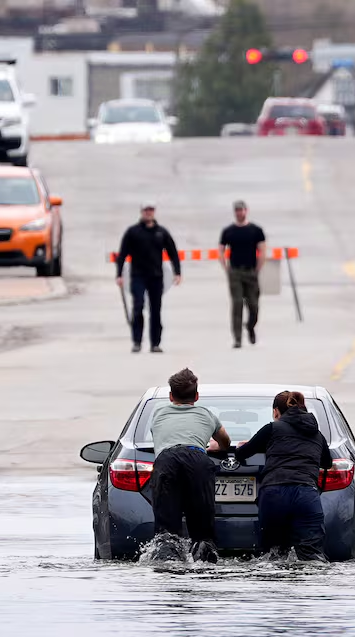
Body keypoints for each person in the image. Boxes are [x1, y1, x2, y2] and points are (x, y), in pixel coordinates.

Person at [233, 391, 333, 562]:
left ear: (275, 412)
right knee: (312, 555)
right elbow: (327, 463)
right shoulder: (317, 435)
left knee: (273, 554)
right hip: (306, 495)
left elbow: (241, 454)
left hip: (274, 494)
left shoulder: (272, 429)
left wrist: (256, 446)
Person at [149, 368, 232, 563]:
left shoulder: (158, 413)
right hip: (197, 460)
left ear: (170, 396)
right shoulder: (206, 414)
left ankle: (168, 567)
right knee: (203, 531)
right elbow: (225, 442)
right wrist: (213, 445)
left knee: (166, 532)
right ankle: (205, 565)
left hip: (166, 460)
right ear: (197, 396)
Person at [115, 202, 181, 353]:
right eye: (146, 210)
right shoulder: (133, 232)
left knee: (155, 310)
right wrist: (119, 274)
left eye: (151, 210)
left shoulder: (161, 232)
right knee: (138, 307)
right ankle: (137, 341)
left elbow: (173, 253)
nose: (148, 213)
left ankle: (155, 343)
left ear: (154, 212)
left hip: (156, 276)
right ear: (141, 212)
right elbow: (123, 253)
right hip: (138, 276)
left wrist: (177, 272)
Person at [219, 200, 266, 349]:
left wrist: (258, 268)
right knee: (237, 304)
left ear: (246, 211)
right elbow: (221, 249)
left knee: (253, 305)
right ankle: (237, 338)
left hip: (251, 271)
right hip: (235, 271)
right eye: (237, 210)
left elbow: (263, 249)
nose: (239, 213)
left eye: (241, 210)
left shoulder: (255, 230)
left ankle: (250, 326)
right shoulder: (229, 231)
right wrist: (226, 267)